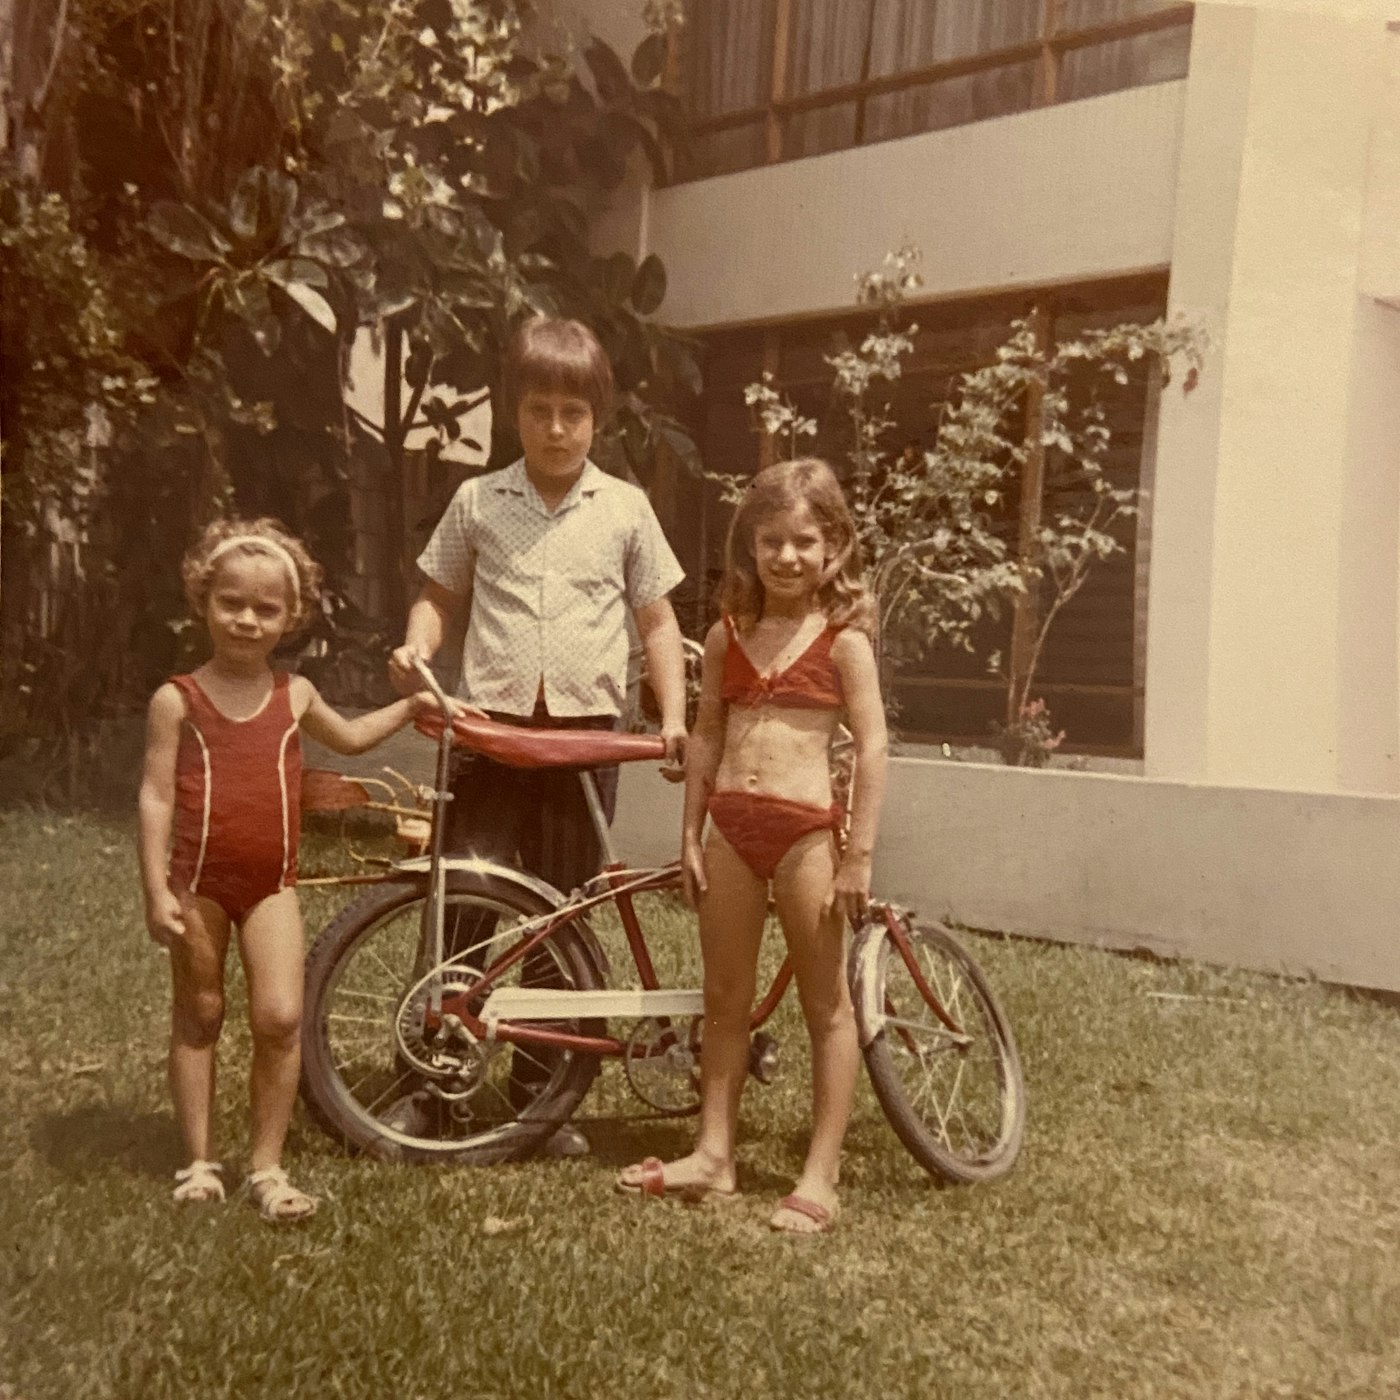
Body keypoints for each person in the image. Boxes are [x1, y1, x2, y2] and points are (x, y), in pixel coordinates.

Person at [387, 316, 688, 1156]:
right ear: (513, 415)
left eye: (573, 414)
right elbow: (436, 596)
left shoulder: (625, 507)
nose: (556, 429)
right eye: (539, 411)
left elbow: (657, 621)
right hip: (488, 730)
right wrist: (418, 644)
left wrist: (670, 718)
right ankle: (430, 1083)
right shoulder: (478, 500)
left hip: (587, 737)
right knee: (463, 907)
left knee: (564, 913)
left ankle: (539, 1097)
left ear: (600, 419)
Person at [616, 458, 889, 1234]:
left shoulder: (843, 643)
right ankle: (713, 1154)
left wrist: (858, 853)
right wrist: (691, 836)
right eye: (772, 541)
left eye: (806, 541)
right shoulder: (727, 633)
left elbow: (872, 748)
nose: (789, 558)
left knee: (826, 1007)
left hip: (806, 836)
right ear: (751, 547)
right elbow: (706, 734)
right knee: (725, 1001)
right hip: (732, 830)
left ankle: (819, 1174)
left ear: (833, 546)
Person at [137, 518, 435, 1222]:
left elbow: (354, 737)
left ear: (290, 616)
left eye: (266, 608)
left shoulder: (293, 694)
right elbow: (153, 797)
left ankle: (266, 1166)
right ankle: (200, 1161)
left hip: (271, 882)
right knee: (201, 1013)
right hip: (198, 882)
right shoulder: (178, 699)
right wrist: (155, 889)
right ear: (204, 601)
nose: (246, 620)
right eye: (230, 603)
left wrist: (412, 706)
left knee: (279, 1016)